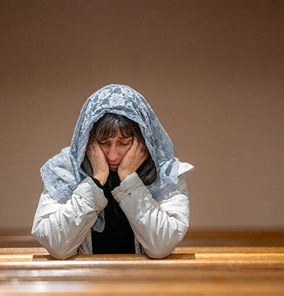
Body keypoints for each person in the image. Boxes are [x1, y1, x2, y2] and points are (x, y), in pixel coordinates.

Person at [31, 84, 194, 259]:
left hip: (146, 282)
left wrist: (129, 181)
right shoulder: (64, 170)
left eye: (124, 143)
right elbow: (56, 246)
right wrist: (96, 181)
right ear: (88, 139)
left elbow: (161, 245)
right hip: (82, 282)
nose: (113, 155)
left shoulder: (166, 173)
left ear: (143, 140)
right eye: (104, 143)